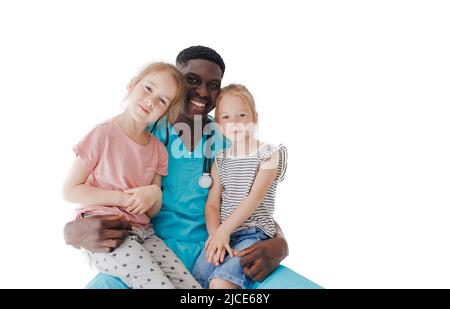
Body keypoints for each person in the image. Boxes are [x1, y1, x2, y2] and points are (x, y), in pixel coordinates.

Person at [64, 46, 321, 289]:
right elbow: (96, 189)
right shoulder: (142, 134)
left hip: (219, 250)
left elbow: (254, 198)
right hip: (149, 251)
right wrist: (71, 233)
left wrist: (281, 243)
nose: (203, 93)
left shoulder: (228, 135)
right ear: (175, 83)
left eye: (213, 86)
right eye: (192, 80)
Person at [63, 62, 201, 289]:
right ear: (132, 85)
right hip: (108, 230)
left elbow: (151, 211)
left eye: (162, 101)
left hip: (145, 232)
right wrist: (123, 200)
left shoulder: (158, 151)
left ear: (166, 112)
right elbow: (69, 190)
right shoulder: (102, 134)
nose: (151, 101)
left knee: (191, 288)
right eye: (148, 89)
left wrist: (154, 193)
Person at [191, 84, 288, 289]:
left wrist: (224, 230)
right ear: (218, 125)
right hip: (223, 233)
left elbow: (255, 198)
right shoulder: (220, 160)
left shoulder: (270, 154)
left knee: (221, 282)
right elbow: (212, 205)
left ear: (255, 117)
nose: (234, 122)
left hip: (254, 233)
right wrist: (216, 235)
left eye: (241, 115)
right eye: (226, 117)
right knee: (196, 278)